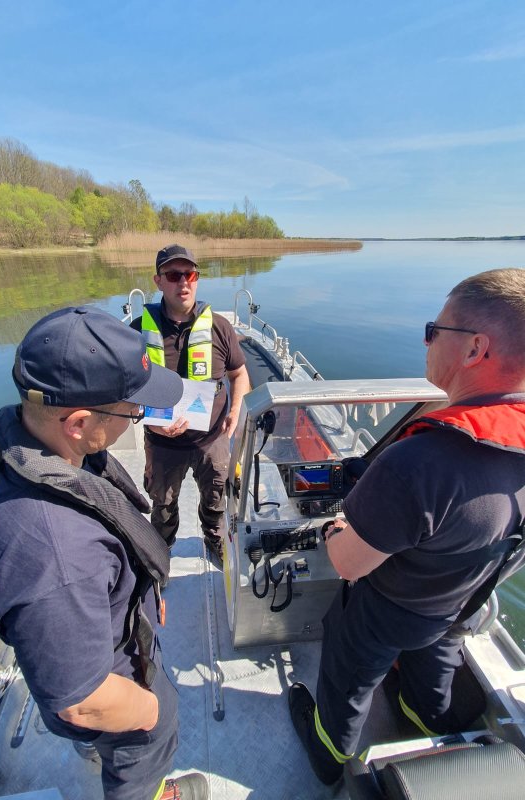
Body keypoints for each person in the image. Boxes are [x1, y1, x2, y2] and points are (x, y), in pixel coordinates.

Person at [288, 268, 525, 786]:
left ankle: (327, 755)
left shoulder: (418, 465)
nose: (426, 341)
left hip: (387, 610)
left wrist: (336, 524)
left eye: (434, 330)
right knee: (431, 684)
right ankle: (423, 722)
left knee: (347, 682)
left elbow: (348, 562)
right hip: (457, 606)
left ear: (474, 350)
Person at [0, 306, 209, 800]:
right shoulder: (53, 554)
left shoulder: (40, 444)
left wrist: (144, 593)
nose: (139, 418)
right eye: (132, 409)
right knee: (137, 760)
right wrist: (151, 713)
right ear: (78, 422)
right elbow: (81, 702)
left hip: (112, 637)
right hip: (118, 694)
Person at [131, 244, 250, 566]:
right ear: (158, 281)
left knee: (215, 500)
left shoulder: (220, 328)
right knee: (163, 504)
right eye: (173, 275)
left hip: (211, 441)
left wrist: (236, 412)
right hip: (161, 443)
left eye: (191, 274)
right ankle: (161, 551)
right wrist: (146, 419)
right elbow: (123, 390)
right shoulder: (137, 332)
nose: (183, 282)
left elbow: (240, 375)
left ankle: (214, 539)